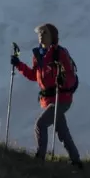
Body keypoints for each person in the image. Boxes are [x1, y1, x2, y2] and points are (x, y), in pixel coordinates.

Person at [11, 22, 82, 169]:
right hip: (49, 100)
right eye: (39, 33)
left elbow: (70, 75)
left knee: (40, 124)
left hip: (61, 99)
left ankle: (40, 159)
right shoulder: (38, 55)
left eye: (44, 33)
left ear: (53, 37)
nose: (41, 36)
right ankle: (76, 162)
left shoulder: (59, 53)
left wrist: (63, 82)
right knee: (62, 132)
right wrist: (19, 64)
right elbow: (34, 75)